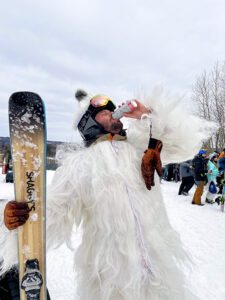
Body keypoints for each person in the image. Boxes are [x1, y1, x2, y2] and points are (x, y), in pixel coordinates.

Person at [0, 90, 215, 300]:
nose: (113, 112)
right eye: (104, 112)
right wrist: (15, 219)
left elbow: (184, 141)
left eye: (113, 109)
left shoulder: (144, 150)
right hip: (113, 284)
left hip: (161, 278)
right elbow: (52, 215)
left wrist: (148, 115)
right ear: (88, 122)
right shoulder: (78, 166)